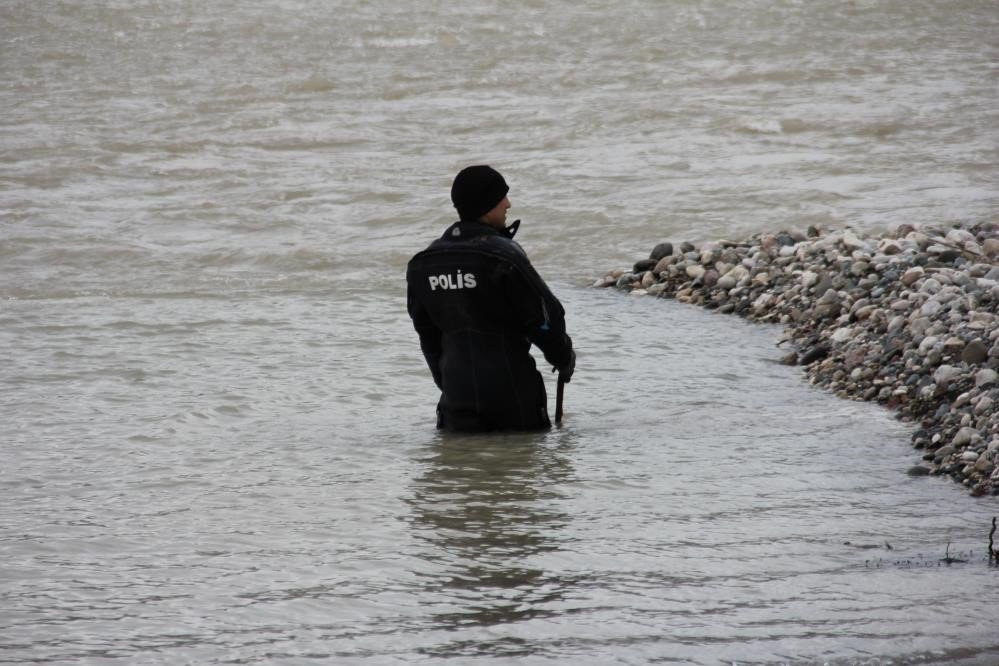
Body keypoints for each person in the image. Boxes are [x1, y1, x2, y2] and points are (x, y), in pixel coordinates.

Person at [406, 165, 575, 432]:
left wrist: (448, 382)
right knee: (518, 469)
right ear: (486, 206)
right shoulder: (504, 257)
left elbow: (427, 336)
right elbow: (545, 318)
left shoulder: (422, 265)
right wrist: (563, 357)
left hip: (456, 409)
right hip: (515, 405)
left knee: (461, 470)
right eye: (501, 198)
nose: (508, 204)